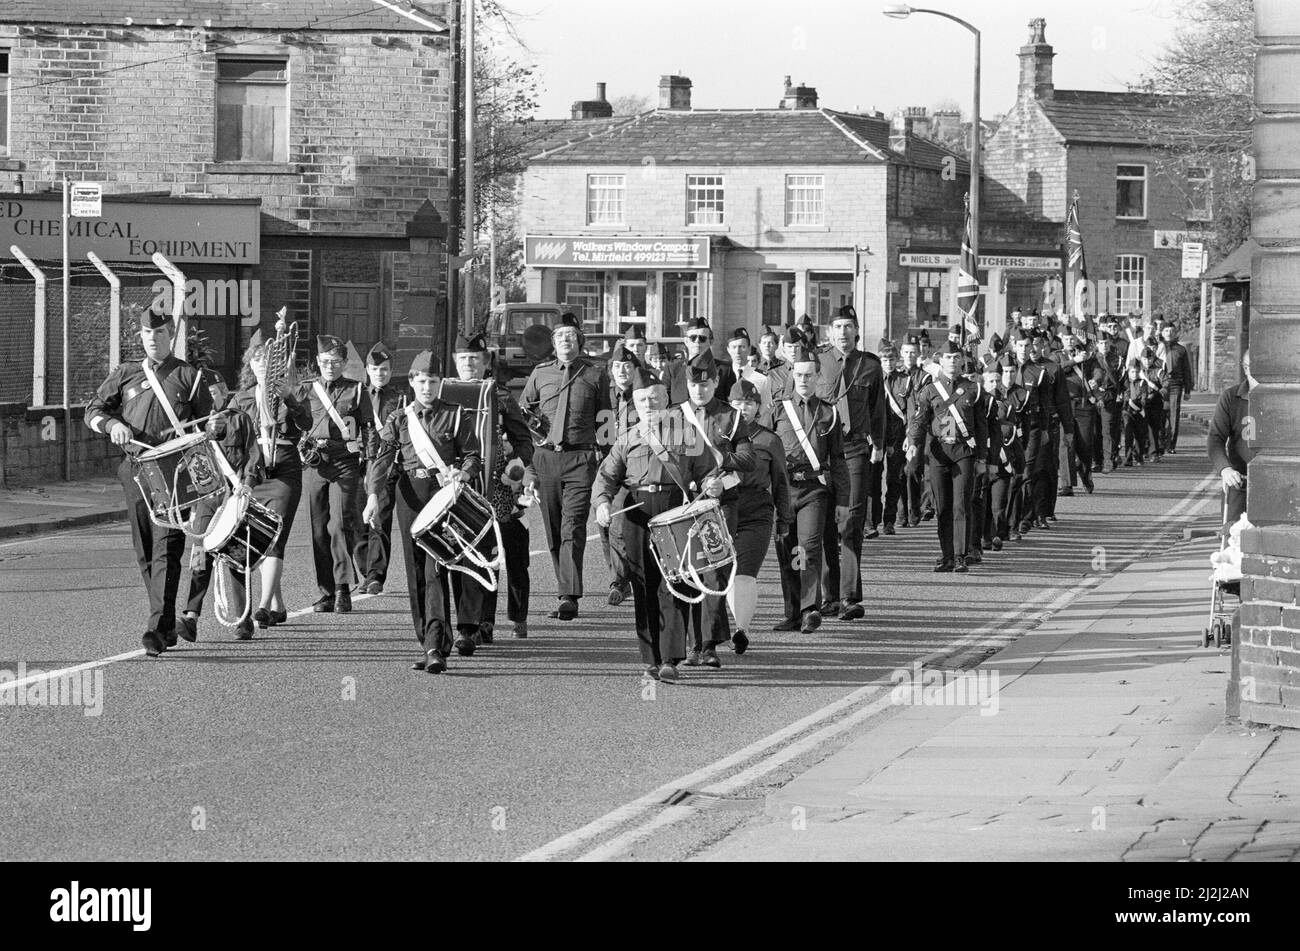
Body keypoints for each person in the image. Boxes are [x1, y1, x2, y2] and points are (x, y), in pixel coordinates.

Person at [85, 311, 214, 656]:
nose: (151, 338)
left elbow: (208, 426)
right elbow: (93, 410)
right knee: (144, 549)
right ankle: (167, 622)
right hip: (136, 468)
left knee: (167, 548)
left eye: (158, 332)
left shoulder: (189, 375)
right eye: (146, 332)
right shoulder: (126, 374)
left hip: (173, 472)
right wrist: (112, 426)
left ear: (170, 334)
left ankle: (156, 628)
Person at [592, 368, 721, 683]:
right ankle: (650, 658)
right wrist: (603, 504)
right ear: (634, 403)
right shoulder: (627, 438)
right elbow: (606, 476)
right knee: (644, 586)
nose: (648, 404)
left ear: (666, 398)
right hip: (638, 514)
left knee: (675, 584)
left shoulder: (686, 432)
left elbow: (708, 471)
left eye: (654, 398)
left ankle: (670, 659)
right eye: (641, 399)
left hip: (675, 512)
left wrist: (713, 483)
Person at [363, 351, 481, 673]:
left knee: (436, 570)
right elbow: (382, 460)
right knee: (416, 573)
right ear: (412, 383)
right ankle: (429, 644)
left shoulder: (456, 415)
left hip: (444, 496)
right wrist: (373, 496)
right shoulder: (399, 418)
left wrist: (465, 473)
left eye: (432, 381)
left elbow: (473, 455)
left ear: (440, 383)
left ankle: (437, 644)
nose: (427, 387)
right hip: (409, 495)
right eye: (421, 381)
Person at [521, 313, 611, 621]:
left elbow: (606, 420)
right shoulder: (540, 372)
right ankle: (564, 587)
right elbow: (524, 412)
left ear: (580, 341)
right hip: (546, 457)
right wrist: (534, 437)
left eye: (571, 336)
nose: (565, 341)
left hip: (581, 459)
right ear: (553, 343)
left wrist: (608, 460)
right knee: (554, 528)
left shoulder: (596, 374)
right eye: (560, 337)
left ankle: (569, 596)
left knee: (573, 526)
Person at [448, 332, 535, 643]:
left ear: (484, 362)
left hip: (496, 485)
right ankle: (468, 621)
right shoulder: (446, 393)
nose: (469, 363)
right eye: (463, 359)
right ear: (456, 362)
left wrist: (517, 467)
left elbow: (523, 440)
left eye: (475, 358)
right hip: (456, 484)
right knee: (463, 553)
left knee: (495, 551)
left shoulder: (498, 395)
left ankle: (486, 620)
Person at [678, 350, 756, 668]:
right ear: (687, 385)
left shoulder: (731, 417)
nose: (700, 390)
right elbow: (669, 459)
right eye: (694, 385)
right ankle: (696, 644)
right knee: (690, 573)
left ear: (714, 383)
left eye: (706, 384)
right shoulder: (677, 416)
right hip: (686, 505)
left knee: (713, 570)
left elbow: (748, 460)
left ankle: (706, 645)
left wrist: (723, 477)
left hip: (722, 504)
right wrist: (689, 484)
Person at [232, 331, 313, 630]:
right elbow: (233, 438)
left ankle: (264, 606)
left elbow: (306, 424)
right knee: (257, 539)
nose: (261, 364)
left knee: (275, 534)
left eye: (266, 358)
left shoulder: (289, 391)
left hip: (285, 469)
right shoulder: (241, 398)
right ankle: (278, 604)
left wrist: (290, 398)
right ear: (249, 365)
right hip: (254, 473)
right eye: (256, 359)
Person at [772, 345, 848, 634]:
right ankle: (793, 612)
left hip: (814, 490)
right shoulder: (778, 410)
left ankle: (809, 609)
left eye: (810, 375)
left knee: (808, 548)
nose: (804, 380)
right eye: (799, 374)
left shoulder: (828, 413)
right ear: (792, 373)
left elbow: (838, 459)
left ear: (818, 377)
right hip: (783, 491)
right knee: (788, 551)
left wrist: (843, 500)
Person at [180, 366, 259, 641]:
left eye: (212, 392)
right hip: (205, 500)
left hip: (233, 496)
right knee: (199, 557)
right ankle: (191, 617)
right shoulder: (193, 425)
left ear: (224, 391)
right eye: (204, 393)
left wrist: (247, 482)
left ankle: (243, 618)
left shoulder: (241, 419)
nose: (208, 397)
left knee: (237, 557)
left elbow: (252, 453)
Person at [818, 307, 885, 621]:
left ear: (857, 330)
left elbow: (878, 409)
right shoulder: (817, 362)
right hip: (822, 453)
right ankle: (829, 596)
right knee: (824, 525)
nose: (843, 332)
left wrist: (880, 446)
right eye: (837, 326)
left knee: (851, 523)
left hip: (855, 450)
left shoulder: (869, 365)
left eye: (848, 326)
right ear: (830, 331)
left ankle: (850, 598)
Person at [906, 341, 989, 572]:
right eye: (947, 358)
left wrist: (982, 458)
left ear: (961, 360)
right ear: (939, 361)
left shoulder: (974, 389)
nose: (952, 361)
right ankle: (947, 555)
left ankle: (962, 555)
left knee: (961, 504)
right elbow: (919, 422)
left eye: (955, 357)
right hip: (939, 453)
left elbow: (982, 427)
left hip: (964, 453)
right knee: (942, 507)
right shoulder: (929, 391)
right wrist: (913, 444)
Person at [297, 334, 363, 613]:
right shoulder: (307, 390)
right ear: (317, 362)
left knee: (338, 525)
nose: (330, 366)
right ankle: (325, 591)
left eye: (336, 362)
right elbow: (295, 421)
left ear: (344, 362)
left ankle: (342, 588)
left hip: (345, 462)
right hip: (316, 464)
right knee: (318, 529)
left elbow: (369, 429)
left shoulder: (356, 390)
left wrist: (369, 465)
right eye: (325, 361)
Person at [726, 377, 791, 655]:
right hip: (721, 509)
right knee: (721, 574)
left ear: (759, 407)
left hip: (757, 510)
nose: (743, 408)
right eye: (738, 402)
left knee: (745, 573)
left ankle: (741, 629)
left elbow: (781, 482)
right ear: (729, 405)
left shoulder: (769, 440)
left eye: (750, 403)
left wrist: (784, 519)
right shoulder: (716, 436)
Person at [353, 342, 407, 595]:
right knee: (358, 521)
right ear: (367, 370)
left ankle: (376, 575)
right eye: (375, 369)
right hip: (360, 464)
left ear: (391, 370)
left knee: (379, 519)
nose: (380, 373)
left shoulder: (401, 399)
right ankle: (365, 570)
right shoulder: (357, 395)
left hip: (386, 465)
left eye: (384, 369)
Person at [599, 341, 641, 607]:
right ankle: (619, 578)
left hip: (633, 471)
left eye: (627, 365)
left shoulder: (645, 394)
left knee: (618, 525)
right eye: (617, 366)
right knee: (604, 527)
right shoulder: (604, 396)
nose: (622, 370)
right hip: (605, 468)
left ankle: (620, 581)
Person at [1009, 331, 1052, 533]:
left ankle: (1025, 518)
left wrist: (1044, 429)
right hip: (1009, 427)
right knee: (1011, 472)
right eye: (1020, 345)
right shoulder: (1004, 367)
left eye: (1028, 346)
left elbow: (1045, 403)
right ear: (1013, 345)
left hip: (1032, 425)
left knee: (1027, 471)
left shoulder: (1038, 371)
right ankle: (1010, 517)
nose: (1025, 350)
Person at [1207, 349, 1255, 524]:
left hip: (1273, 483)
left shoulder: (1281, 400)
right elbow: (1215, 438)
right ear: (1245, 368)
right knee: (1233, 540)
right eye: (1251, 368)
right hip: (1239, 482)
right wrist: (1225, 469)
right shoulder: (1230, 397)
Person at [1059, 336, 1101, 495]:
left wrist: (1096, 380)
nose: (1069, 341)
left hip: (1084, 405)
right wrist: (1073, 361)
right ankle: (1067, 485)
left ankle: (1085, 475)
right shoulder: (1058, 356)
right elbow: (1055, 370)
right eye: (1066, 338)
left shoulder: (1087, 356)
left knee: (1085, 445)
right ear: (1062, 339)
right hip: (1065, 405)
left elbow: (1098, 371)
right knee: (1066, 445)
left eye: (1072, 338)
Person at [878, 345, 912, 535]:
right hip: (878, 436)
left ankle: (889, 520)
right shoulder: (874, 380)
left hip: (898, 436)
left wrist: (909, 435)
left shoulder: (905, 381)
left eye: (891, 359)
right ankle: (871, 521)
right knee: (874, 479)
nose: (888, 363)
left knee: (895, 478)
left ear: (897, 359)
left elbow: (911, 410)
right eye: (884, 360)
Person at [664, 317, 733, 405]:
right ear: (686, 341)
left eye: (702, 338)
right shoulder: (672, 369)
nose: (697, 341)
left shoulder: (725, 370)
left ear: (711, 341)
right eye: (693, 338)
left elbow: (730, 403)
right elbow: (665, 401)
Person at [1160, 323, 1194, 453]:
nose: (1169, 333)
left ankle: (1170, 445)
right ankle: (1159, 443)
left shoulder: (1181, 349)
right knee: (1160, 414)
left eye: (1171, 330)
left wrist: (1188, 390)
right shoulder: (1158, 347)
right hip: (1160, 384)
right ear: (1162, 332)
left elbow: (1186, 370)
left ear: (1175, 333)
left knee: (1173, 415)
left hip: (1175, 385)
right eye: (1166, 330)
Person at [1139, 346, 1168, 462]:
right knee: (1141, 428)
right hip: (1141, 403)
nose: (1147, 361)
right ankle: (1141, 451)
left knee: (1154, 428)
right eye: (1144, 359)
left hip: (1155, 402)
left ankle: (1154, 453)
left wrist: (1158, 394)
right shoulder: (1137, 371)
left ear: (1153, 359)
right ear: (1141, 359)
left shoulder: (1159, 371)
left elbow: (1166, 385)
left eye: (1149, 359)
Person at [1121, 360, 1151, 466]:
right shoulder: (1125, 383)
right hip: (1127, 412)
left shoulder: (1143, 383)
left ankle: (1139, 457)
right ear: (1128, 372)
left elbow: (1144, 396)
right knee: (1128, 436)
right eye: (1133, 372)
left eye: (1137, 372)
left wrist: (1141, 402)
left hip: (1139, 412)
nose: (1135, 374)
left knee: (1139, 436)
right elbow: (1124, 396)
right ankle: (1128, 459)